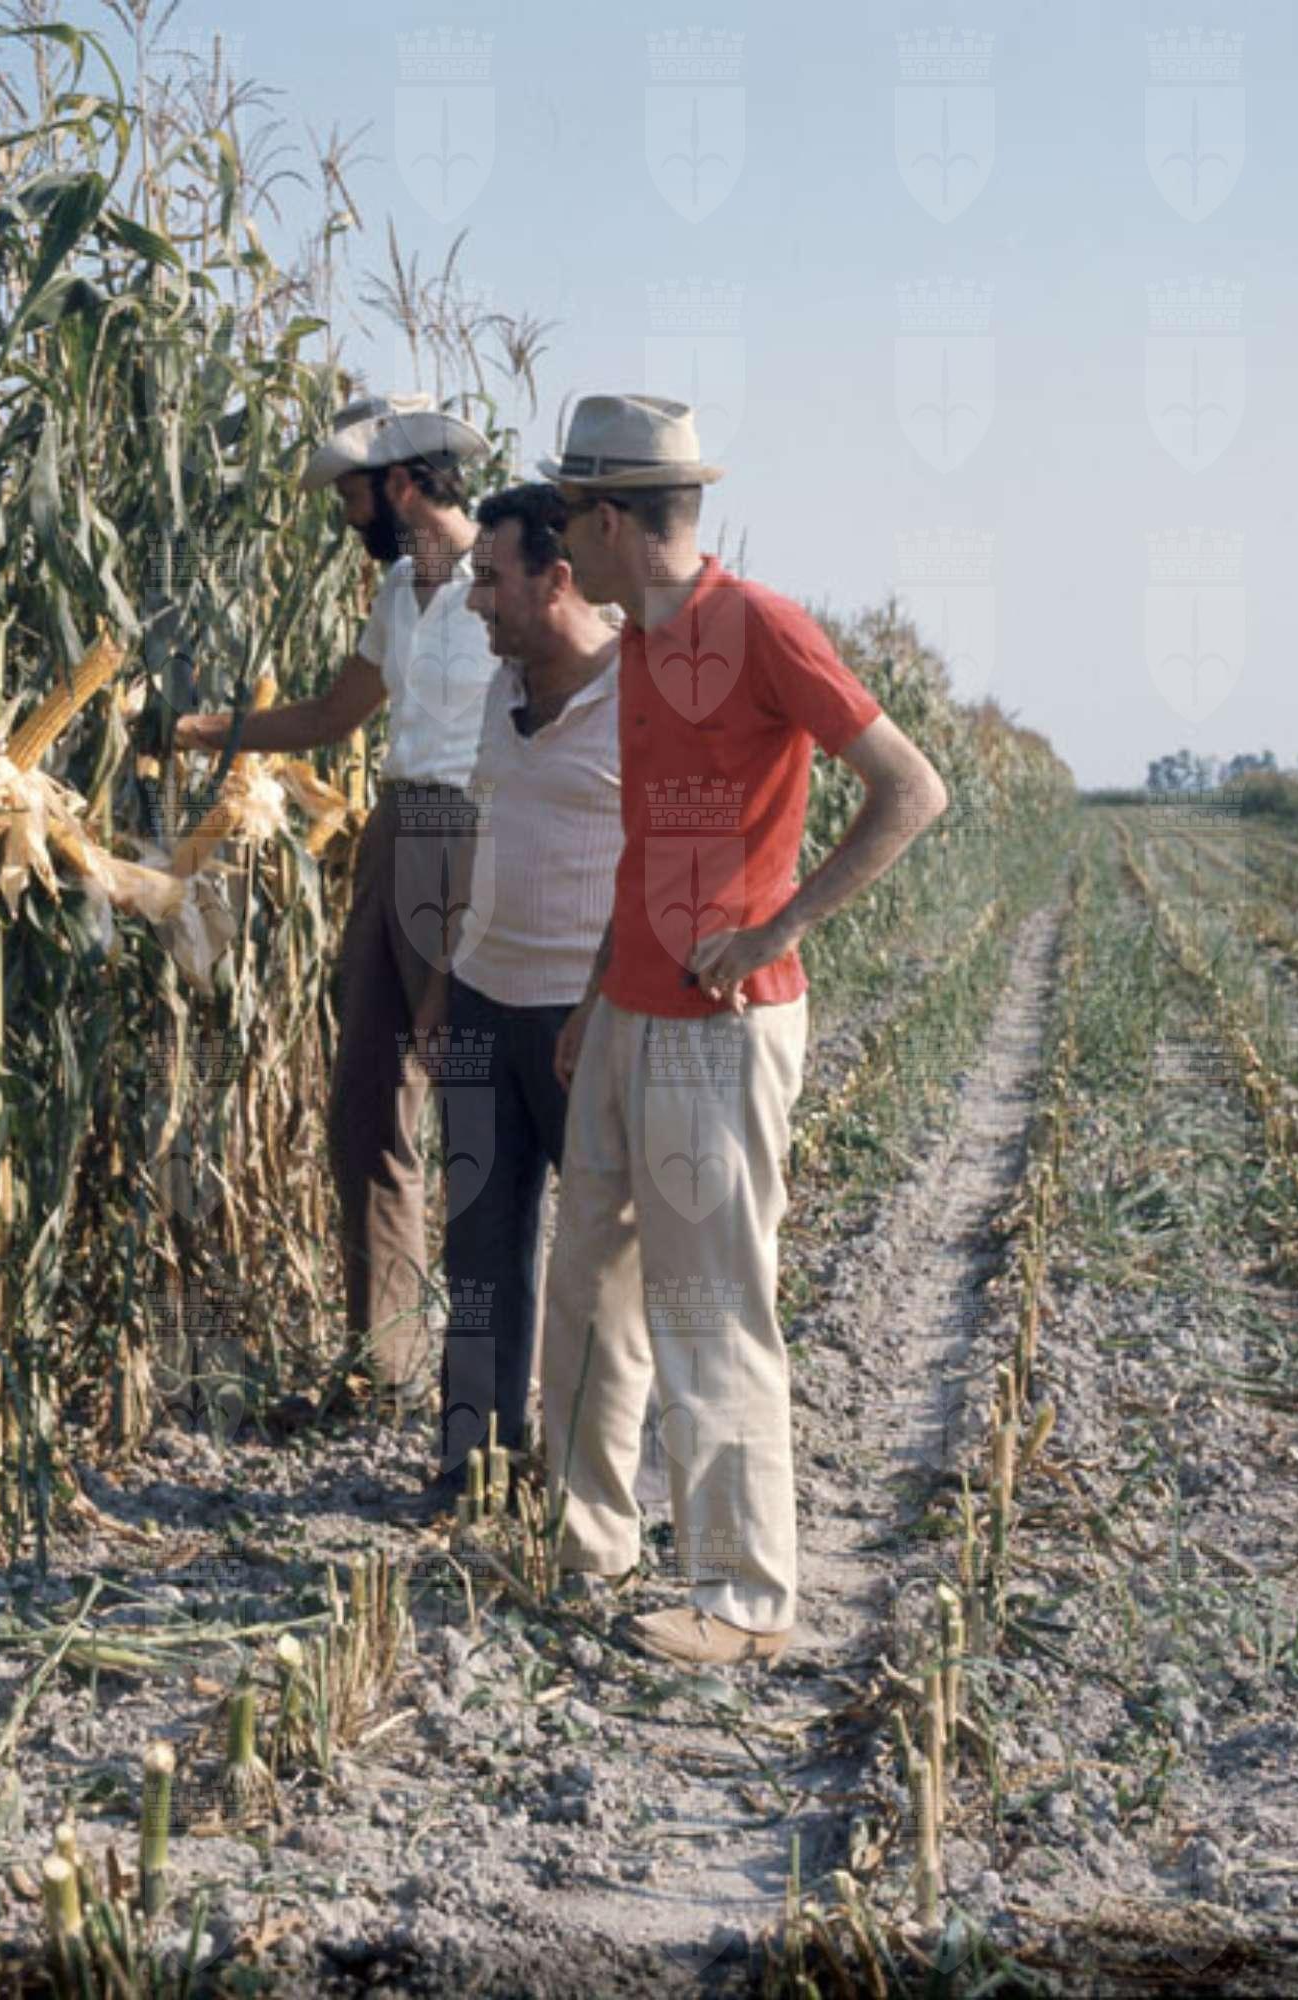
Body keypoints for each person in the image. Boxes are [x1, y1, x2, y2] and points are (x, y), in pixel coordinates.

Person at [536, 395, 949, 1667]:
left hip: (720, 1027)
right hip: (628, 1010)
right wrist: (597, 992)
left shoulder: (760, 626)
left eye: (567, 516)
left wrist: (777, 927)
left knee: (708, 1300)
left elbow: (911, 788)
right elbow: (646, 845)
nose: (559, 542)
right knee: (585, 1288)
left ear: (612, 519)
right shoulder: (640, 645)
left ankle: (743, 1598)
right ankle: (587, 1545)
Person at [173, 393, 499, 1410]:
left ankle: (493, 1367)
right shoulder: (399, 591)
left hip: (477, 837)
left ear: (398, 484)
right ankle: (386, 1361)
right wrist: (199, 731)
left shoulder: (512, 577)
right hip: (395, 830)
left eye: (351, 495)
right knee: (366, 1097)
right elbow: (330, 716)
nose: (346, 516)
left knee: (476, 1104)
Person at [404, 482, 627, 1520]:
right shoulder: (500, 690)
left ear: (557, 578)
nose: (475, 600)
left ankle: (591, 1486)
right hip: (483, 1000)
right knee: (479, 1249)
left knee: (597, 1266)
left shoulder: (639, 690)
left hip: (584, 1017)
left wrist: (602, 1003)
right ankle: (473, 1468)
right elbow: (480, 843)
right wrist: (442, 982)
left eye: (491, 579)